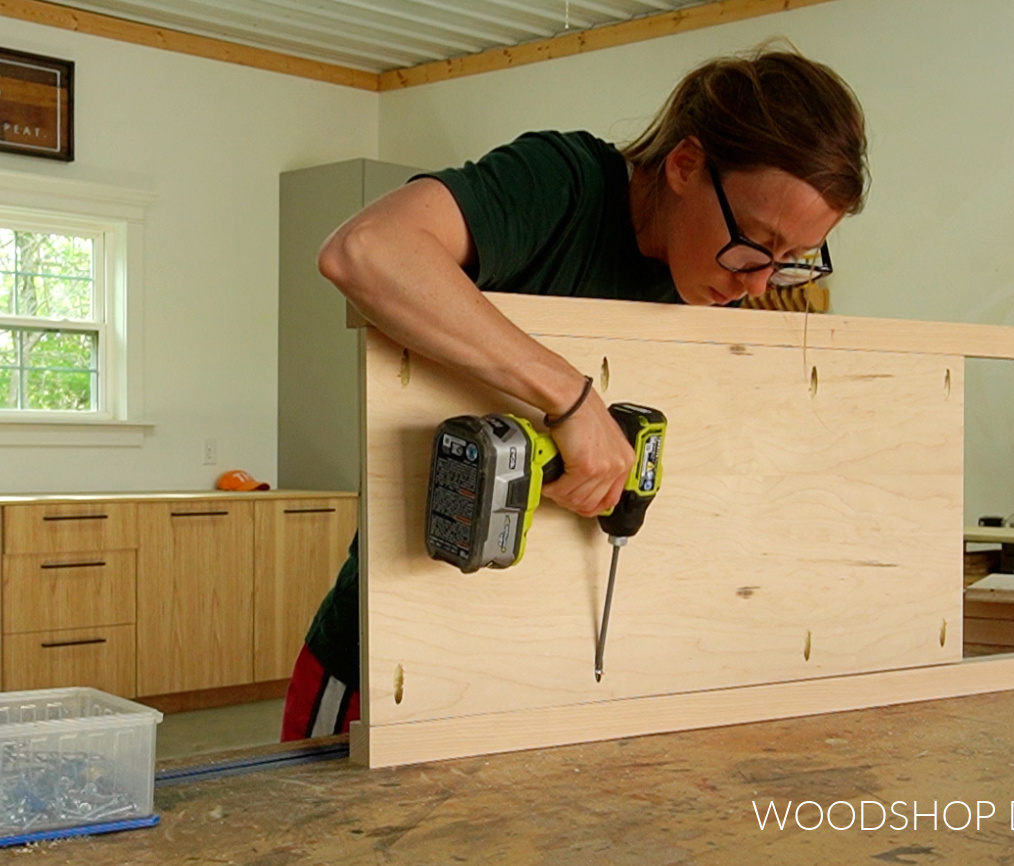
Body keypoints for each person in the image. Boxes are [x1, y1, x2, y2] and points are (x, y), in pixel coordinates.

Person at [280, 43, 869, 741]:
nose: (757, 284)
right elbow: (365, 251)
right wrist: (571, 400)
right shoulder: (561, 187)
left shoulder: (729, 293)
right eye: (755, 243)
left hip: (556, 685)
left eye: (790, 260)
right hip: (392, 665)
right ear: (684, 166)